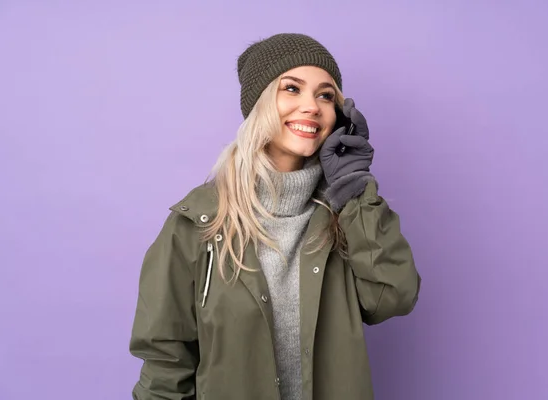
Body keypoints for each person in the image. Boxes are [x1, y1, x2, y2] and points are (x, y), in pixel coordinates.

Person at [129, 32, 421, 400]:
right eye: (292, 89)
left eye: (325, 95)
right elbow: (164, 363)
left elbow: (393, 298)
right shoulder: (198, 223)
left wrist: (354, 191)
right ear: (260, 104)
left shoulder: (347, 214)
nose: (312, 106)